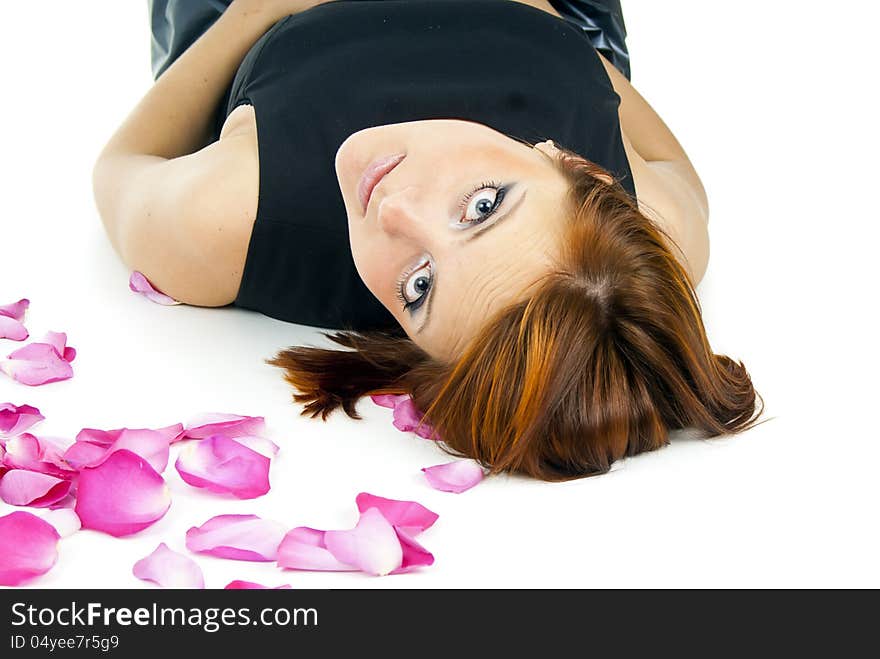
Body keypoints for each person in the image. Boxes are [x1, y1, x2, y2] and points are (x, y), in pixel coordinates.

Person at [93, 0, 765, 481]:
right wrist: (549, 23)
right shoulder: (651, 235)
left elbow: (122, 166)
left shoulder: (230, 218)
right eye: (482, 205)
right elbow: (682, 181)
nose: (396, 208)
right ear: (576, 165)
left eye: (420, 285)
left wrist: (251, 15)